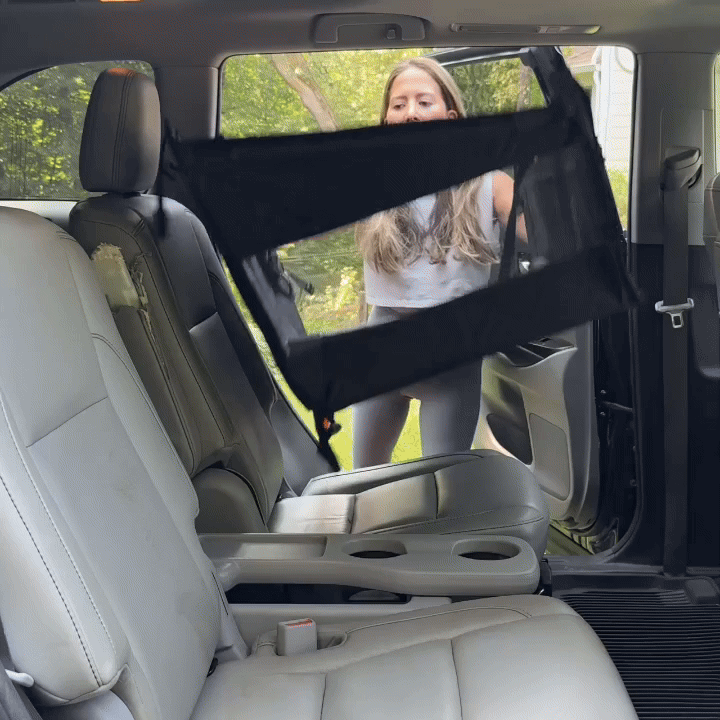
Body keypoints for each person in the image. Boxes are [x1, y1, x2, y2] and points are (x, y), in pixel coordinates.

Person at [352, 56, 526, 469]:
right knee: (364, 479)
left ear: (451, 117)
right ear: (387, 122)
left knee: (444, 484)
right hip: (383, 342)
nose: (410, 112)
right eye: (399, 105)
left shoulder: (490, 182)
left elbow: (548, 234)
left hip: (451, 356)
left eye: (424, 102)